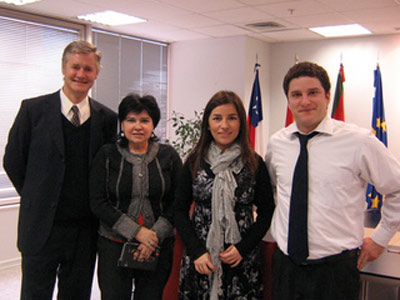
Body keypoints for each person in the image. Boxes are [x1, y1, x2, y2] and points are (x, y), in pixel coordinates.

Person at [266, 61, 400, 300]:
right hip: (286, 267)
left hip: (334, 273)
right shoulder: (277, 143)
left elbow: (397, 189)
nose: (304, 101)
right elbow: (276, 192)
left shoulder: (359, 142)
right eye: (296, 94)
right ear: (288, 100)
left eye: (313, 93)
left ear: (328, 97)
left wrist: (380, 239)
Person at [3, 40, 118, 300]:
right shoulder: (33, 111)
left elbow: (109, 171)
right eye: (75, 67)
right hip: (41, 228)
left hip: (84, 231)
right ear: (63, 68)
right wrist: (36, 195)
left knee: (77, 295)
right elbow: (13, 161)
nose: (81, 74)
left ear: (96, 73)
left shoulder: (107, 119)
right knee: (34, 294)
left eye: (88, 69)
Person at [174, 90, 275, 300]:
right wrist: (196, 251)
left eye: (232, 118)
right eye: (217, 118)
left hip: (241, 259)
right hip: (202, 259)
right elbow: (178, 211)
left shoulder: (254, 164)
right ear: (208, 123)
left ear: (241, 123)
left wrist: (242, 249)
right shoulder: (194, 162)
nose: (224, 125)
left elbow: (267, 211)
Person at [89, 93, 182, 300]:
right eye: (131, 120)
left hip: (158, 245)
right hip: (113, 244)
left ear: (153, 124)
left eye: (144, 120)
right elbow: (98, 202)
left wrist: (153, 235)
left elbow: (178, 200)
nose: (137, 126)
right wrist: (137, 232)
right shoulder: (107, 154)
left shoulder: (169, 156)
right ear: (122, 124)